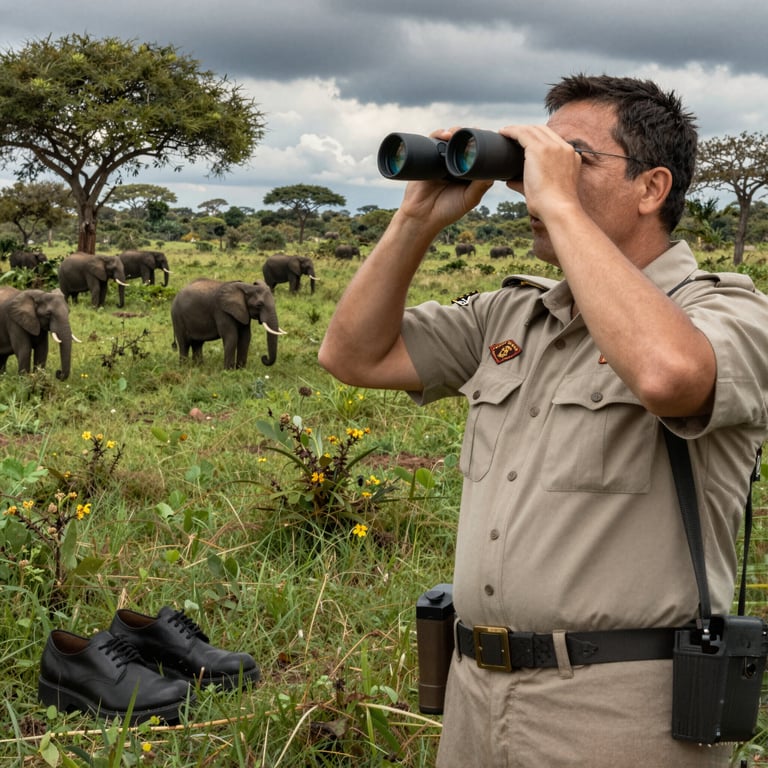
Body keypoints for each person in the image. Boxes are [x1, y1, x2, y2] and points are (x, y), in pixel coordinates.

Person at [318, 74, 768, 767]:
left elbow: (668, 375)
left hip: (621, 711)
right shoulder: (513, 317)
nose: (535, 180)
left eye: (573, 157)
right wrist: (416, 219)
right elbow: (353, 354)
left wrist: (561, 206)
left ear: (652, 188)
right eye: (533, 158)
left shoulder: (730, 313)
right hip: (475, 695)